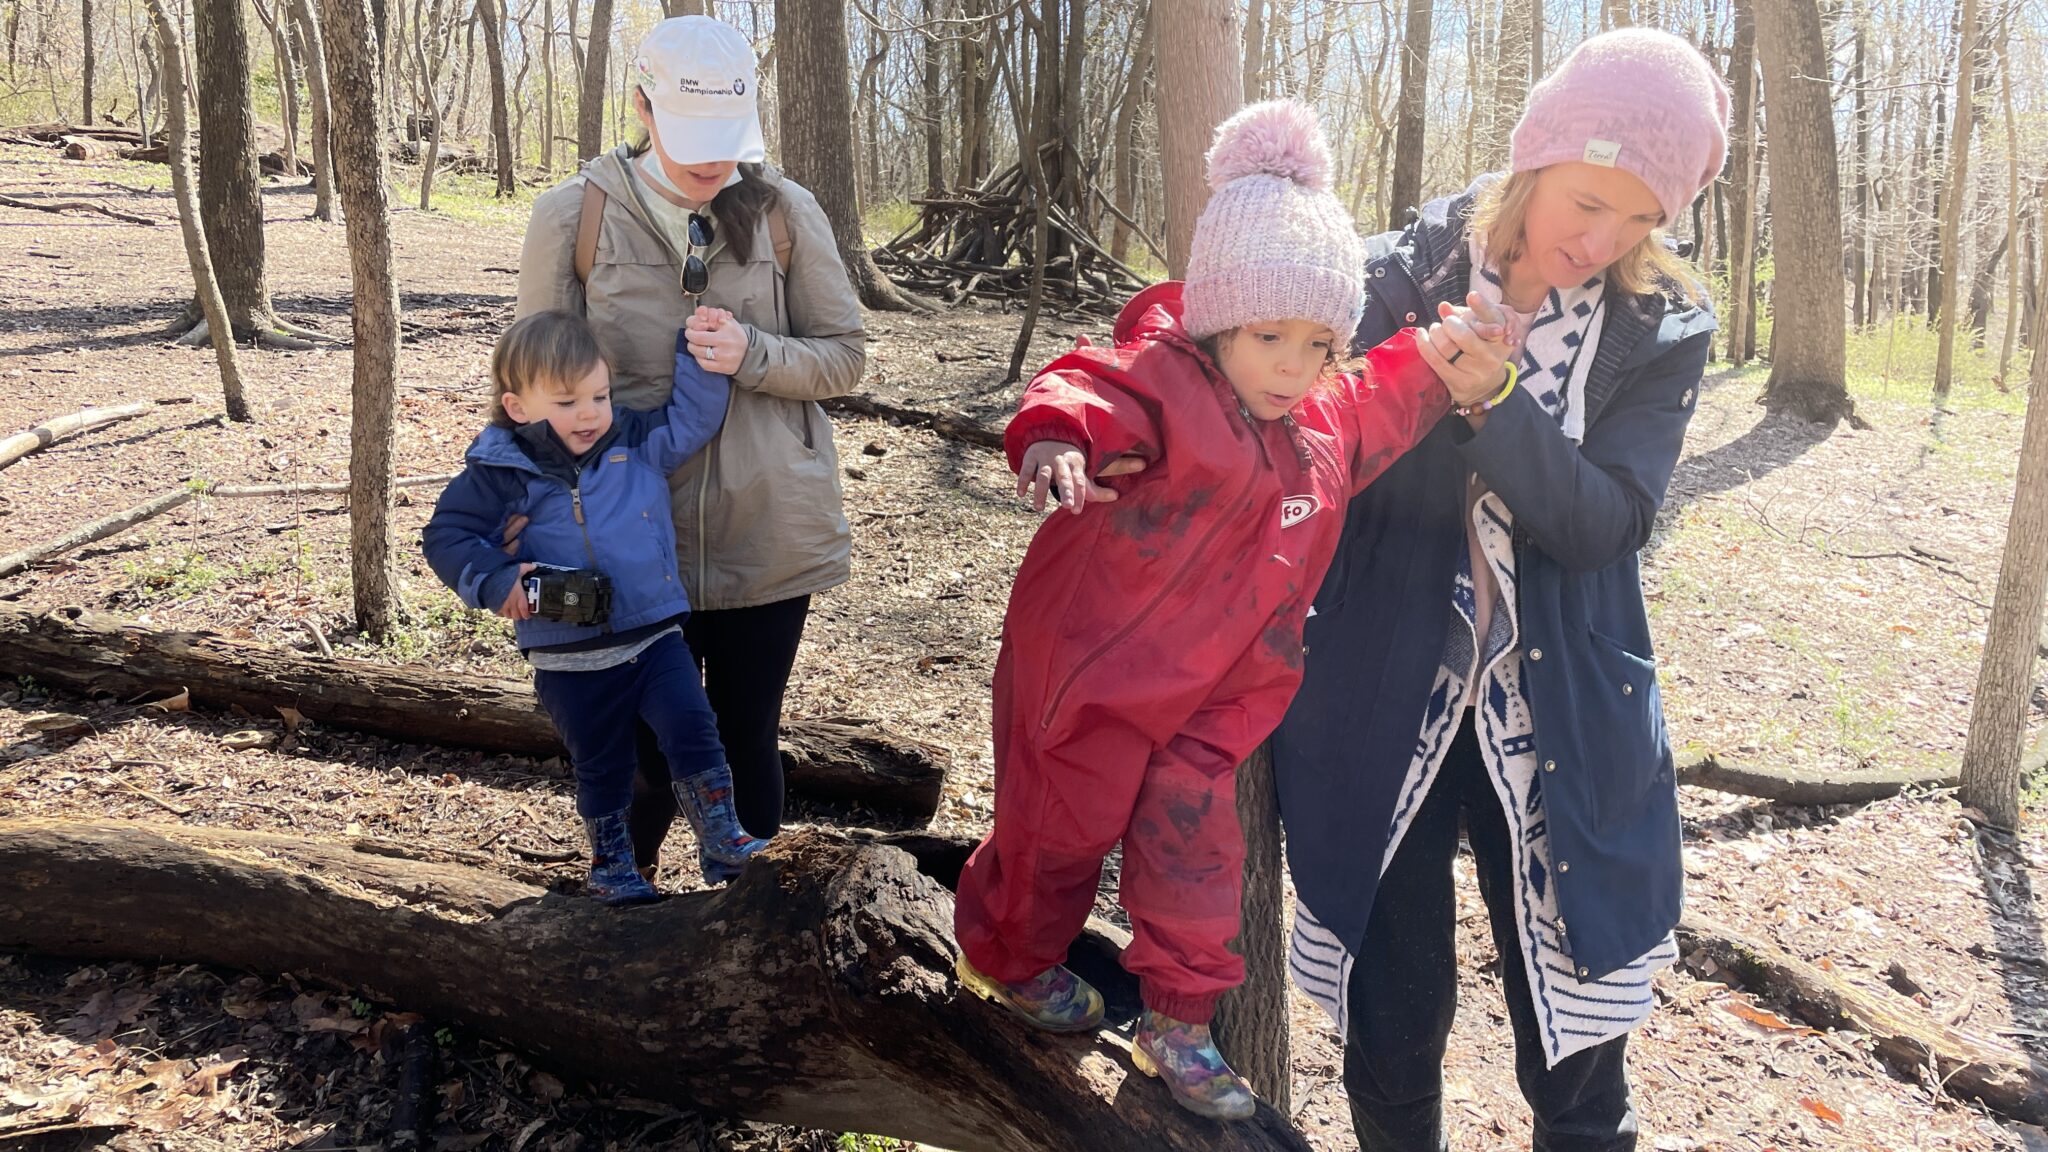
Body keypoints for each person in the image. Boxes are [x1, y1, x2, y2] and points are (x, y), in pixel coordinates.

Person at [951, 101, 1514, 1123]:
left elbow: (1391, 387)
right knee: (1056, 830)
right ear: (1216, 319)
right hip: (1091, 672)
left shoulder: (1324, 415)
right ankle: (1009, 955)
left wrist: (1450, 358)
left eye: (1316, 341)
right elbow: (1084, 385)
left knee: (1197, 852)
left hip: (1221, 694)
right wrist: (1052, 440)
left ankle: (1177, 1018)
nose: (1292, 365)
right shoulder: (1166, 383)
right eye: (1267, 337)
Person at [1271, 29, 1731, 1152]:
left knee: (1573, 1051)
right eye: (1585, 200)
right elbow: (1311, 462)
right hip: (1385, 693)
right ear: (1533, 157)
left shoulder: (1659, 327)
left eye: (1636, 220)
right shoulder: (1385, 278)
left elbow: (1604, 525)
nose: (1600, 239)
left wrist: (1495, 407)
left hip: (1566, 705)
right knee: (1392, 1018)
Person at [514, 15, 865, 879]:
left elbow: (846, 355)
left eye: (726, 142)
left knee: (747, 736)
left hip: (766, 531)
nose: (713, 165)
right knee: (635, 752)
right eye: (691, 140)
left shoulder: (783, 210)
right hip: (629, 540)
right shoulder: (573, 216)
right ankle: (617, 933)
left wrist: (758, 355)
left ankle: (751, 942)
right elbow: (531, 382)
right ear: (642, 106)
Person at [423, 309, 765, 902]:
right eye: (566, 402)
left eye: (599, 395)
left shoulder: (632, 440)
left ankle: (722, 838)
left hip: (654, 634)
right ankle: (612, 866)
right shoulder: (500, 472)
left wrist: (700, 354)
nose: (589, 414)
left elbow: (691, 419)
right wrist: (496, 579)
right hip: (568, 657)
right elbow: (445, 536)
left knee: (693, 728)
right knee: (604, 765)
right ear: (518, 407)